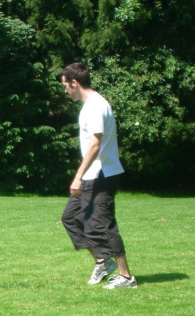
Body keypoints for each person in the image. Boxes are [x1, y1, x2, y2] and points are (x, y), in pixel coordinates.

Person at [59, 62, 136, 289]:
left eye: (65, 86)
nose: (65, 90)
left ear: (75, 83)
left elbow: (95, 144)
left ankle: (126, 277)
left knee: (102, 223)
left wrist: (77, 177)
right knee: (71, 217)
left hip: (102, 173)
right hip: (92, 174)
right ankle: (102, 262)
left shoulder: (95, 106)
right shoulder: (89, 106)